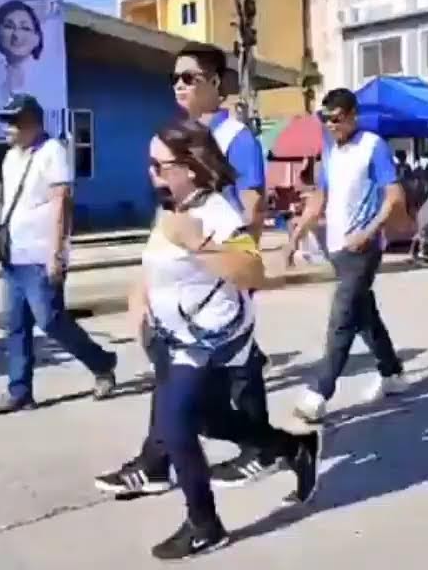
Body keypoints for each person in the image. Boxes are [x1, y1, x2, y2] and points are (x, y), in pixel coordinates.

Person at [96, 42, 279, 498]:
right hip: (186, 277)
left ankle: (189, 460)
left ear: (217, 83)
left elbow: (252, 208)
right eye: (175, 78)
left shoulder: (236, 138)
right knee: (215, 370)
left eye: (190, 77)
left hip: (217, 277)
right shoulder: (177, 135)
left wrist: (236, 277)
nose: (179, 85)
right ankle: (172, 458)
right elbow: (170, 215)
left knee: (221, 370)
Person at [131, 119, 321, 560]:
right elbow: (156, 263)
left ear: (191, 167)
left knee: (176, 425)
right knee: (208, 420)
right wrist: (138, 300)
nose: (151, 174)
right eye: (150, 165)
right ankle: (290, 447)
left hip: (210, 339)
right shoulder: (172, 208)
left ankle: (204, 525)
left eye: (159, 166)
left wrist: (199, 245)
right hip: (172, 334)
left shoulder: (216, 213)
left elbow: (252, 272)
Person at [0, 94, 118, 416]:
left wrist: (58, 252)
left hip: (41, 255)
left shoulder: (53, 152)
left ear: (30, 122)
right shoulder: (11, 157)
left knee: (51, 321)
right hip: (14, 254)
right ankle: (19, 391)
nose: (6, 128)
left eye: (12, 122)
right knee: (15, 325)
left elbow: (61, 204)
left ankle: (101, 363)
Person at [285, 88, 408, 422]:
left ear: (353, 115)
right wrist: (297, 234)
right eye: (326, 120)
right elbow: (320, 199)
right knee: (364, 315)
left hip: (364, 248)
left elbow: (394, 197)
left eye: (337, 120)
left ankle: (320, 392)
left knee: (342, 318)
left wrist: (368, 232)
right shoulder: (329, 151)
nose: (332, 126)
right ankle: (392, 373)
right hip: (338, 247)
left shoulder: (373, 146)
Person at [0, 0, 45, 106]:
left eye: (25, 28)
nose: (16, 35)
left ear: (37, 38)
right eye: (9, 26)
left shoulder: (45, 80)